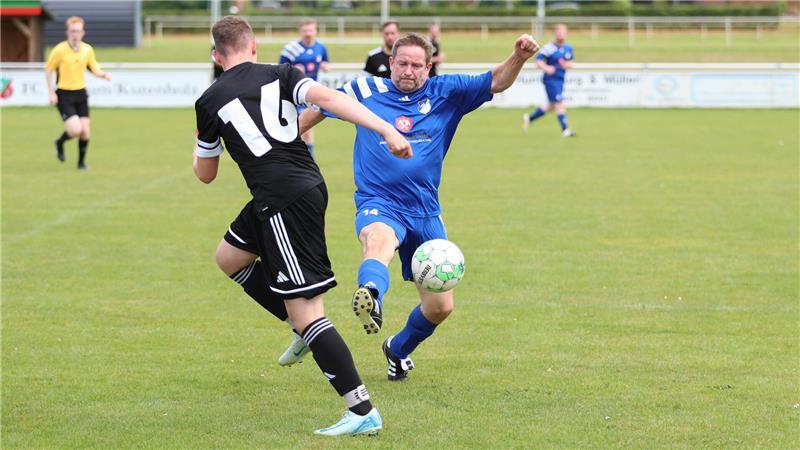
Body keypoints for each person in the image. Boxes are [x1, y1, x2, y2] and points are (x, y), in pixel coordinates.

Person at [194, 16, 411, 435]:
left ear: (216, 56)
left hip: (283, 201)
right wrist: (384, 127)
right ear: (253, 47)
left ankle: (362, 411)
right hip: (295, 189)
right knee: (229, 257)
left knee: (308, 312)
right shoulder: (281, 73)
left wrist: (200, 142)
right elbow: (328, 99)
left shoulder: (208, 100)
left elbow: (206, 174)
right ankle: (303, 330)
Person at [300, 32, 539, 381]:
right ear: (391, 62)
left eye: (416, 65)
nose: (408, 71)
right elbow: (318, 109)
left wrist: (518, 57)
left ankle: (397, 350)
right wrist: (279, 146)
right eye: (402, 64)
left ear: (428, 67)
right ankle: (371, 295)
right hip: (379, 202)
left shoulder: (447, 92)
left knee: (440, 307)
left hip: (425, 211)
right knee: (378, 240)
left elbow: (496, 81)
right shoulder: (365, 90)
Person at [45, 16, 111, 170]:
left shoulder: (87, 50)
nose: (75, 34)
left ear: (83, 33)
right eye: (73, 31)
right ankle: (59, 142)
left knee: (85, 132)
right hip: (64, 94)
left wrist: (104, 75)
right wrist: (51, 93)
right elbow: (48, 70)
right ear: (67, 32)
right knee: (75, 130)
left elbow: (94, 68)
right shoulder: (60, 50)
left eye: (78, 31)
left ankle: (81, 164)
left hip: (81, 94)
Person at [278, 18, 330, 155]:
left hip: (311, 91)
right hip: (293, 91)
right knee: (295, 124)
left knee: (307, 125)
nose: (308, 33)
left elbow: (326, 63)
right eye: (305, 30)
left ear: (316, 31)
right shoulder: (291, 49)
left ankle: (307, 155)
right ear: (300, 31)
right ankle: (296, 153)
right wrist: (293, 69)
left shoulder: (320, 47)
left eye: (311, 30)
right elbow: (280, 69)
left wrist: (325, 66)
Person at [522, 24, 575, 137]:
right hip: (550, 80)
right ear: (554, 33)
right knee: (560, 103)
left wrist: (567, 65)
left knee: (551, 105)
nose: (560, 34)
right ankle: (565, 130)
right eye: (558, 32)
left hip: (560, 79)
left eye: (562, 32)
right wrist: (547, 68)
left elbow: (571, 63)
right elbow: (538, 61)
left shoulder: (568, 47)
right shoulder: (549, 47)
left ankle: (530, 118)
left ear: (566, 34)